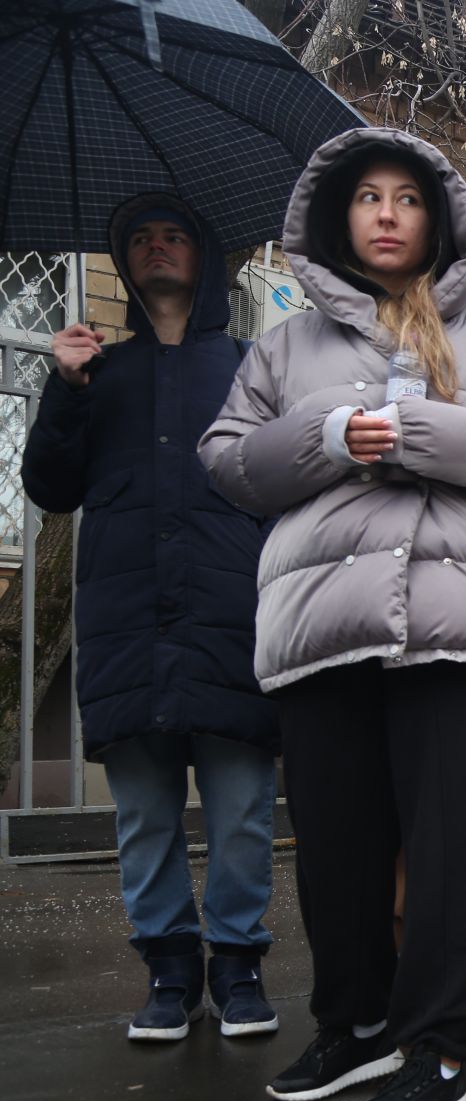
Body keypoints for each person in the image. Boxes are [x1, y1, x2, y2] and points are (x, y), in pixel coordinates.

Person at [200, 127, 466, 1101]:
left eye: (408, 196)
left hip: (462, 630)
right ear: (338, 218)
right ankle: (354, 1023)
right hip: (324, 627)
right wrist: (328, 434)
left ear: (438, 217)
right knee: (336, 844)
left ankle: (442, 1051)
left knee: (454, 850)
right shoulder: (283, 347)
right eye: (367, 196)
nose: (387, 212)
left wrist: (415, 432)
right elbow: (230, 463)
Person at [23, 195, 280, 1044]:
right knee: (144, 814)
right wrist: (61, 390)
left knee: (243, 808)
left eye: (172, 236)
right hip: (127, 621)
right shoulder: (97, 373)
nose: (156, 248)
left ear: (202, 258)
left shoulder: (250, 365)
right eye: (139, 239)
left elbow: (281, 486)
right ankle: (170, 973)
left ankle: (238, 965)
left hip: (229, 616)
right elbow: (51, 488)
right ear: (125, 264)